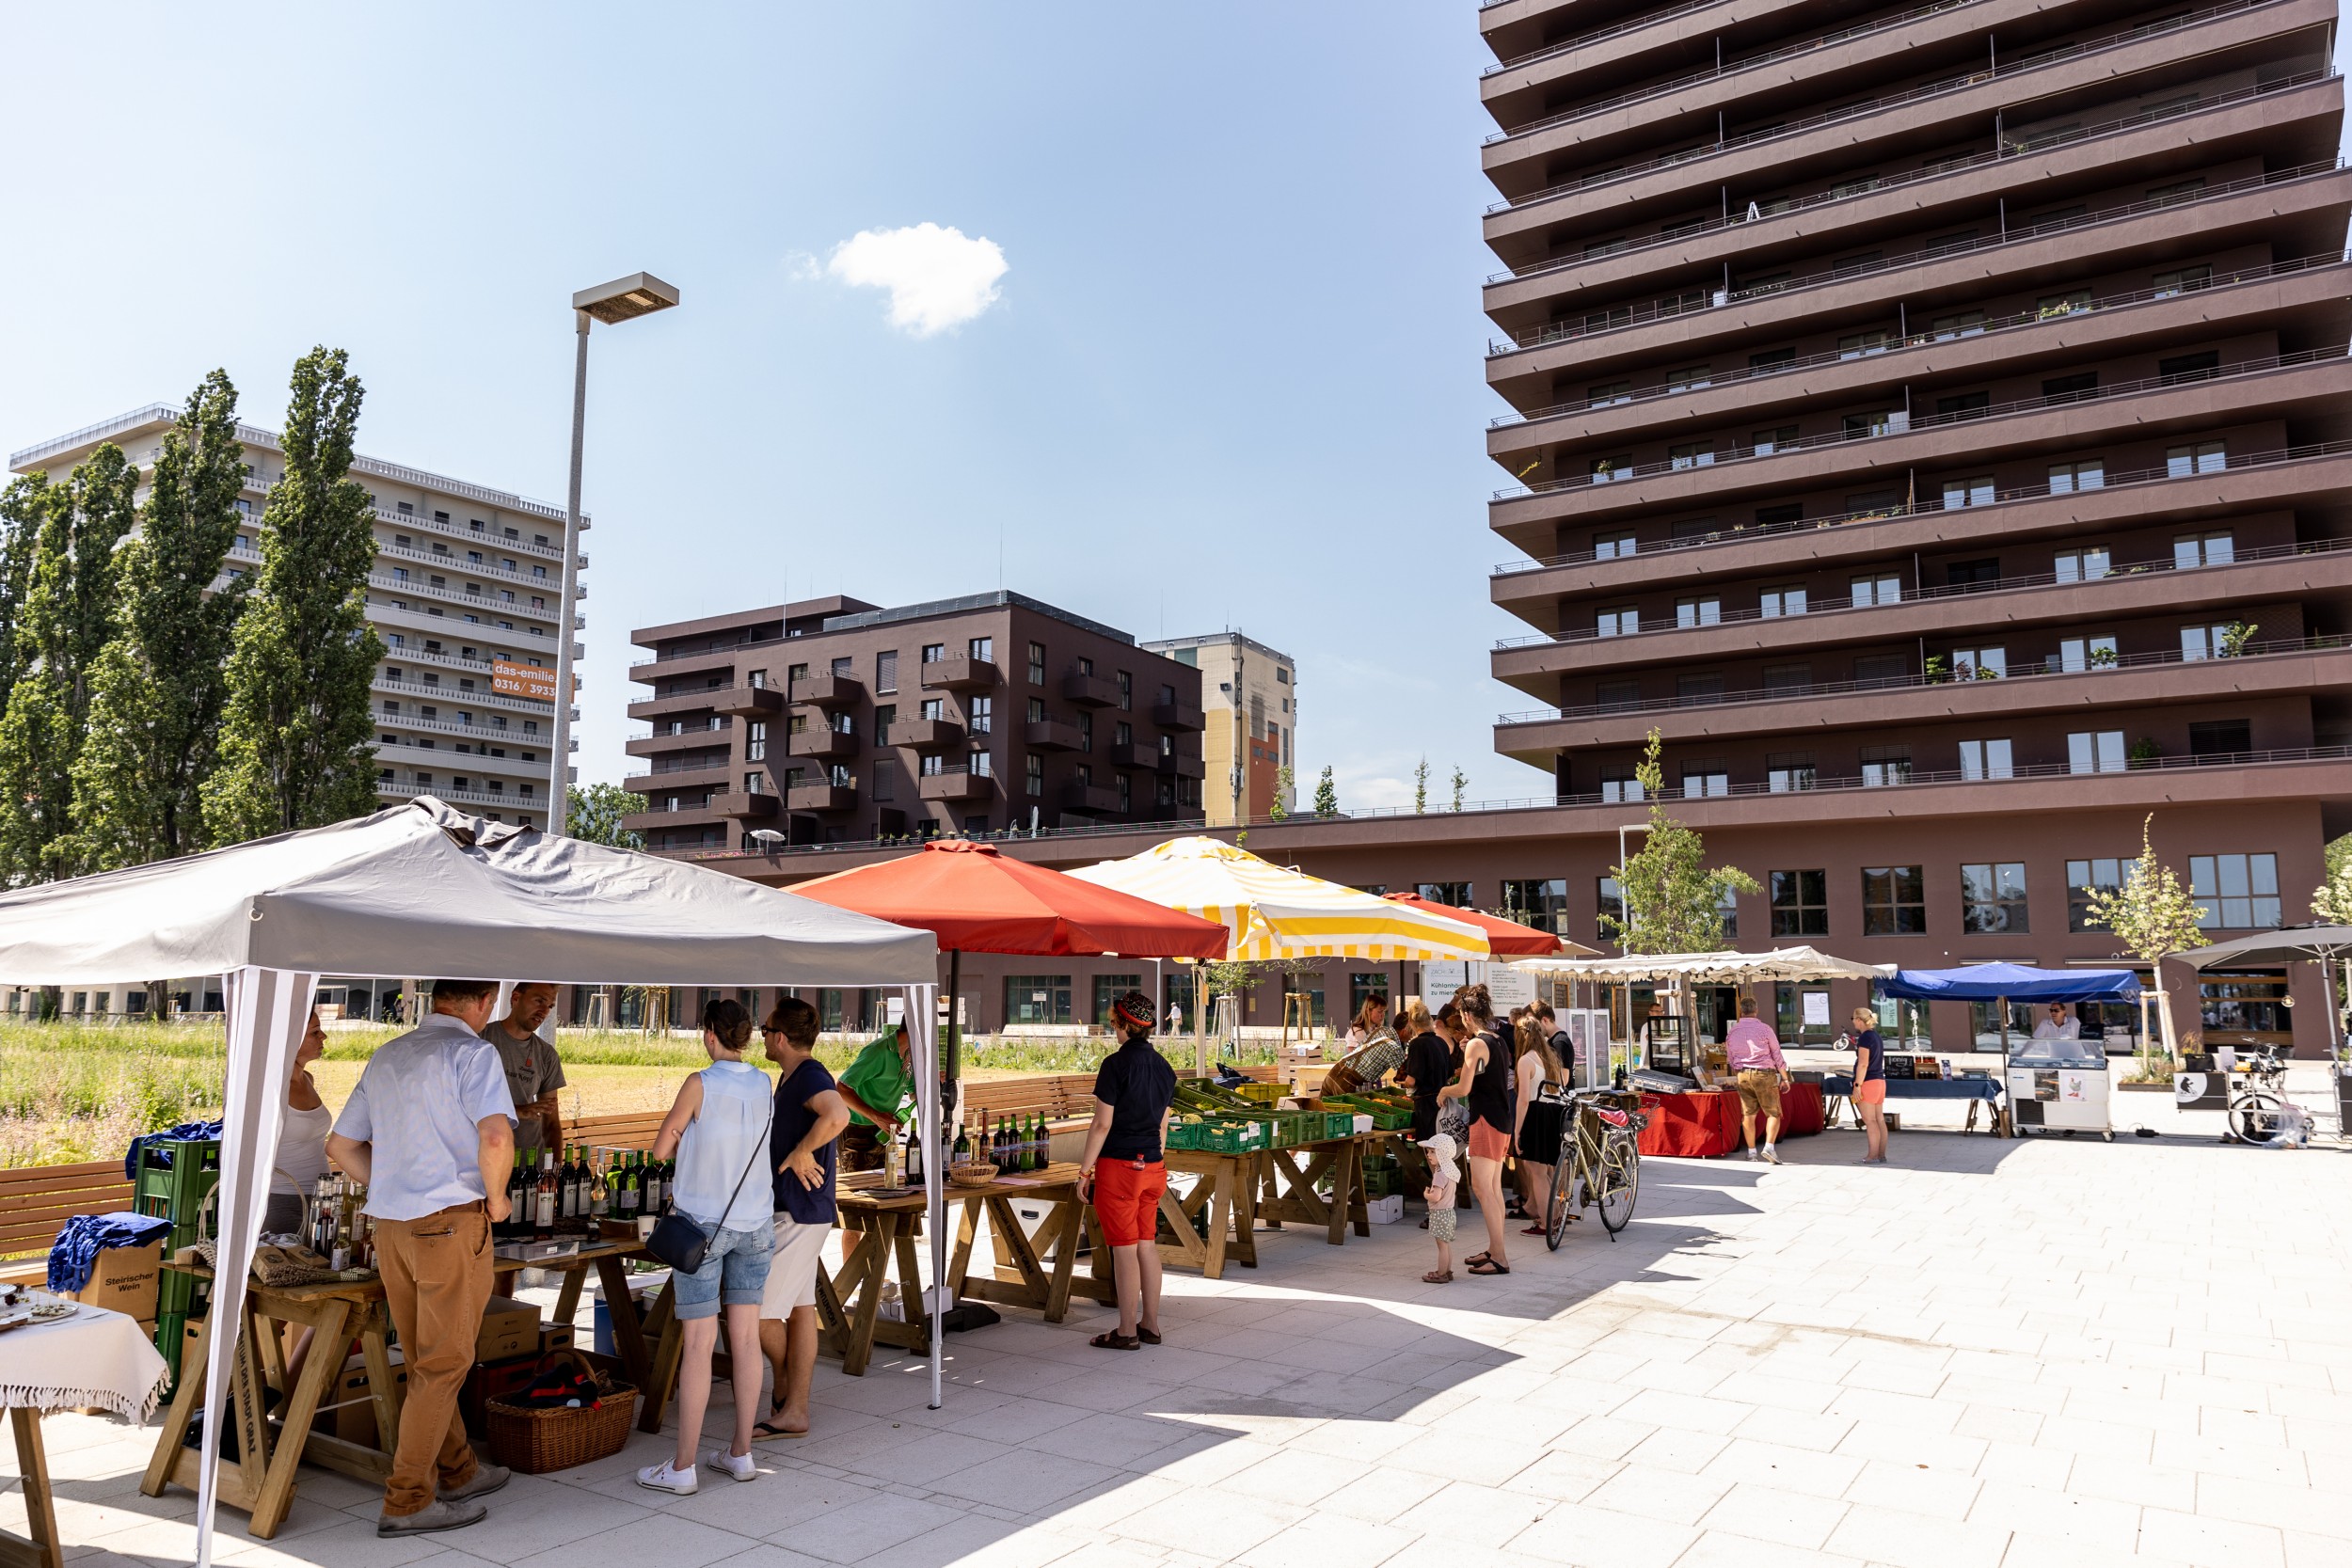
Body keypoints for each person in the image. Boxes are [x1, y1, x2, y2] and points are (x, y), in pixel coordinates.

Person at [325, 979, 516, 1539]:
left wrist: (386, 1186)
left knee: (425, 1359)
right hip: (451, 1222)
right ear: (484, 1002)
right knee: (443, 1364)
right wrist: (498, 1200)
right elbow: (498, 1138)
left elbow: (339, 1147)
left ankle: (458, 1471)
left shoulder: (388, 1054)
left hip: (392, 1227)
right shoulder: (473, 1053)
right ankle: (407, 1499)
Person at [637, 1000, 775, 1497]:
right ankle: (741, 1453)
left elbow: (660, 1147)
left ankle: (683, 1466)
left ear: (710, 1034)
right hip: (756, 1223)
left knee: (698, 1343)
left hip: (703, 1228)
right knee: (745, 1339)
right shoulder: (763, 1082)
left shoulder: (699, 1082)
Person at [755, 997, 849, 1441]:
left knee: (758, 1311)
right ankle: (793, 1407)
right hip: (803, 1209)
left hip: (797, 1211)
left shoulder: (809, 1075)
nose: (762, 1036)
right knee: (799, 1309)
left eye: (765, 1029)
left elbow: (839, 1113)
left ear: (780, 1037)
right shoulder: (792, 1076)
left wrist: (803, 1151)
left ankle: (787, 1386)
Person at [1078, 990, 1175, 1350]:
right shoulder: (1165, 1069)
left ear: (1120, 1023)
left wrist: (1084, 1172)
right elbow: (1163, 1128)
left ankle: (1125, 1330)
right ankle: (1150, 1324)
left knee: (1123, 1249)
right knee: (1146, 1246)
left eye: (1112, 1021)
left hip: (1119, 1167)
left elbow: (1101, 1125)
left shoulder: (1114, 1065)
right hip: (1153, 1166)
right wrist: (1152, 1159)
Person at [1440, 985, 1512, 1275]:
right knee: (1493, 1189)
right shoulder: (1496, 1039)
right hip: (1501, 1118)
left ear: (1468, 1015)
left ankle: (1500, 1257)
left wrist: (1444, 1090)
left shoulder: (1475, 1044)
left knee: (1483, 1188)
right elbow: (1485, 1073)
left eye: (1461, 1015)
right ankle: (1496, 1250)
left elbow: (1464, 1087)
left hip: (1485, 1119)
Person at [481, 983, 566, 1153]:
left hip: (531, 1165)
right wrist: (518, 1111)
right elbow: (459, 1105)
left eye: (549, 1006)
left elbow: (551, 1124)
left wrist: (554, 1173)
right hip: (486, 1161)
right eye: (539, 1001)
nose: (544, 1011)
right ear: (515, 998)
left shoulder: (546, 1054)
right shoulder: (481, 1039)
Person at [833, 1016, 913, 1172]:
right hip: (856, 1132)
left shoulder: (910, 1056)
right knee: (857, 1193)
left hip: (883, 1133)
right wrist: (877, 1117)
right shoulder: (878, 1051)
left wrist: (935, 1083)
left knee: (883, 1189)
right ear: (917, 1031)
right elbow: (841, 1088)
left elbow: (915, 1092)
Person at [1512, 1015, 1565, 1235]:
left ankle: (1546, 1222)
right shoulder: (1550, 1056)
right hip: (1553, 1113)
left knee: (1537, 1173)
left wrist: (1516, 1131)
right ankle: (1555, 1215)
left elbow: (1524, 1099)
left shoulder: (1525, 1060)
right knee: (1545, 1172)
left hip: (1536, 1113)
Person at [1725, 995, 1793, 1164]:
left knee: (1748, 1114)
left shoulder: (1733, 1031)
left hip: (1742, 1074)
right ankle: (1769, 1147)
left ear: (1742, 1011)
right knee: (1773, 1113)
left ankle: (1751, 1152)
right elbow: (1777, 1054)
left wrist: (1738, 1069)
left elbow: (1730, 1057)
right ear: (1756, 1010)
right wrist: (1785, 1078)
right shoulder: (1765, 1029)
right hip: (1764, 1073)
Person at [1325, 994, 1402, 1095]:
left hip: (1365, 1080)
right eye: (1379, 1011)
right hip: (1348, 1080)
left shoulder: (1376, 1030)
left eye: (1384, 1011)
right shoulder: (1358, 1032)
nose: (1382, 1015)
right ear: (1368, 1011)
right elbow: (1357, 1058)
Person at [1847, 1006, 1889, 1164]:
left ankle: (1872, 1156)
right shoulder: (1876, 1036)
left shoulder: (1865, 1037)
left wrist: (1857, 1085)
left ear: (1859, 1020)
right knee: (1879, 1120)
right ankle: (1881, 1154)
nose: (1853, 1023)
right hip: (1879, 1081)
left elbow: (1863, 1064)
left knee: (1870, 1121)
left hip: (1868, 1082)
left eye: (1853, 1019)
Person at [1419, 1132, 1461, 1284]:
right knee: (1446, 1244)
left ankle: (1441, 1273)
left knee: (1441, 1246)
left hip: (1440, 1213)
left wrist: (1426, 1194)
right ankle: (1447, 1271)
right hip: (1449, 1212)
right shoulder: (1450, 1171)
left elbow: (1436, 1197)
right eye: (1428, 1151)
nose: (1428, 1155)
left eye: (1432, 1151)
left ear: (1442, 1154)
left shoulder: (1439, 1175)